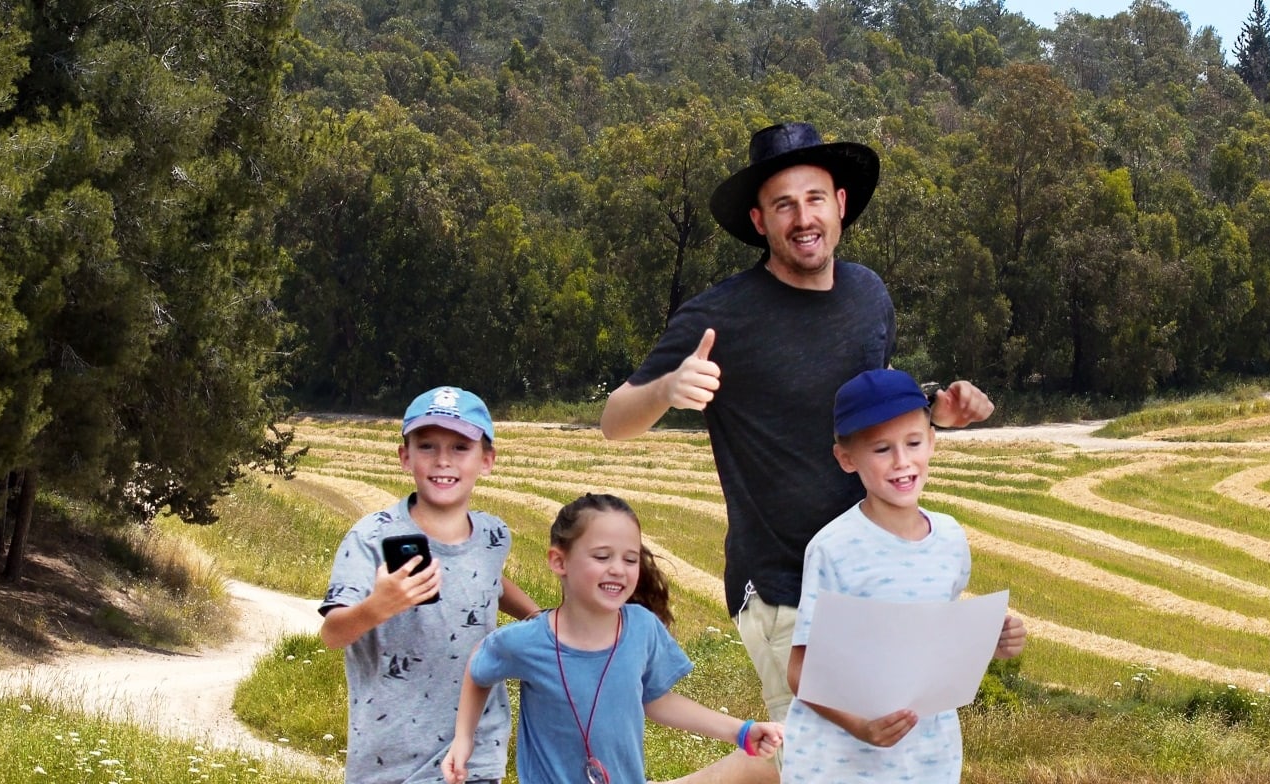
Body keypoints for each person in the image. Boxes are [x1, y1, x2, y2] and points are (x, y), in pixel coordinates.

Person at [600, 121, 994, 782]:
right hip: (782, 579)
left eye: (814, 199)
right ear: (759, 221)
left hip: (868, 572)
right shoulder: (721, 315)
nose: (802, 218)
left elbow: (864, 408)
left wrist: (931, 408)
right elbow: (614, 419)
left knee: (836, 754)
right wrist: (668, 387)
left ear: (841, 203)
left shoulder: (870, 296)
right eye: (784, 205)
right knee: (826, 756)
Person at [783, 368, 1025, 782]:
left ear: (931, 441)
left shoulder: (949, 538)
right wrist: (860, 725)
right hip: (840, 764)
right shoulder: (834, 549)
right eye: (881, 449)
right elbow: (800, 671)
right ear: (847, 459)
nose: (901, 462)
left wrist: (992, 640)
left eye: (913, 443)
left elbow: (937, 643)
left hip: (926, 759)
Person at [442, 493, 784, 784]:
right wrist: (463, 739)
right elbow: (478, 666)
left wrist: (740, 730)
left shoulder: (642, 629)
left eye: (630, 559)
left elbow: (655, 700)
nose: (618, 569)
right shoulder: (527, 642)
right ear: (559, 561)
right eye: (602, 557)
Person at [320, 385, 541, 784]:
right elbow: (333, 634)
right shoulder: (370, 538)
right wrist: (377, 607)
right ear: (405, 457)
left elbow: (488, 577)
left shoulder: (494, 535)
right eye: (427, 446)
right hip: (391, 762)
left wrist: (534, 614)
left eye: (460, 447)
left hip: (477, 754)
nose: (443, 460)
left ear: (487, 460)